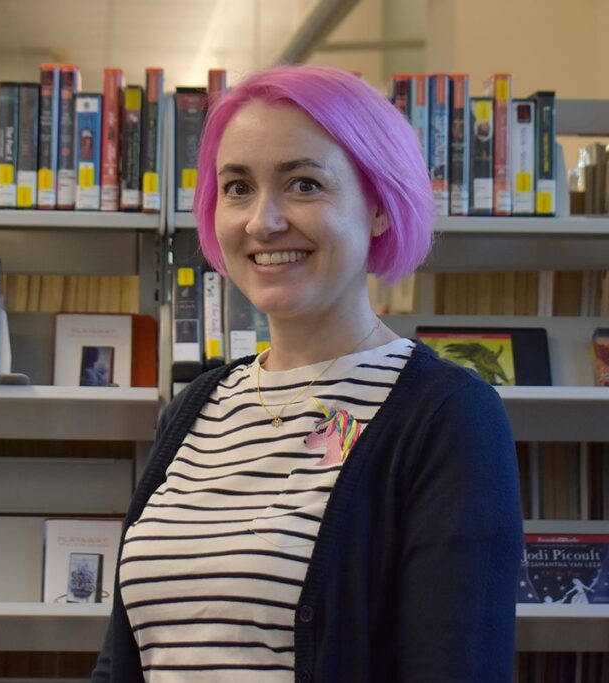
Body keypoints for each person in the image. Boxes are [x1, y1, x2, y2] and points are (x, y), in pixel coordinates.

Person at [92, 65, 522, 683]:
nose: (262, 222)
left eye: (303, 184)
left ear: (377, 205)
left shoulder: (446, 415)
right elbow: (123, 659)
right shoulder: (196, 409)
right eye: (237, 187)